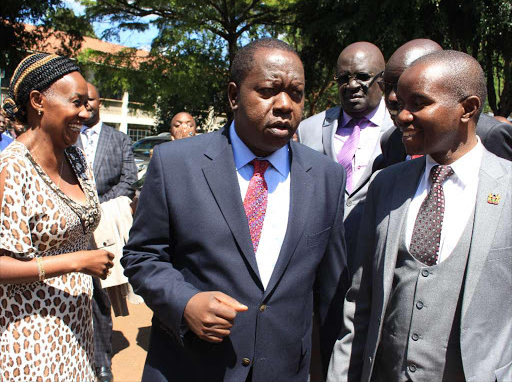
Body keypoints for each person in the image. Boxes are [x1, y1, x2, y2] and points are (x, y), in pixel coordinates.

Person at [122, 38, 350, 382]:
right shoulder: (176, 164)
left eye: (296, 93)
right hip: (191, 367)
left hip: (283, 371)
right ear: (233, 96)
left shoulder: (327, 177)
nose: (285, 105)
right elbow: (142, 256)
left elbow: (331, 290)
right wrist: (185, 304)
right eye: (269, 90)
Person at [327, 50, 512, 382]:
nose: (402, 116)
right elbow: (360, 303)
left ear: (467, 109)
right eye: (399, 104)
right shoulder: (387, 185)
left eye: (419, 103)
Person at [0, 53, 114, 381]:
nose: (85, 111)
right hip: (32, 337)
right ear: (38, 101)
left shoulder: (75, 157)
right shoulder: (13, 168)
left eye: (86, 103)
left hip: (77, 326)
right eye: (75, 102)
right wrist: (76, 262)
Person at [297, 41, 394, 271]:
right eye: (343, 78)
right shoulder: (307, 129)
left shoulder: (401, 128)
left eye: (362, 76)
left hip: (378, 257)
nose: (352, 85)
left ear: (382, 78)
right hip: (322, 262)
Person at [75, 82, 137, 382]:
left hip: (105, 226)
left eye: (91, 99)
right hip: (70, 225)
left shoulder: (120, 139)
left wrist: (99, 207)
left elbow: (128, 180)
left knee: (100, 293)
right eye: (80, 100)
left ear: (100, 102)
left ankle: (102, 362)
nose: (86, 105)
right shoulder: (66, 137)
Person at [380, 39, 512, 164]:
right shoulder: (391, 140)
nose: (392, 97)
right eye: (387, 86)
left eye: (419, 102)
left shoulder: (491, 135)